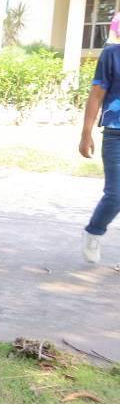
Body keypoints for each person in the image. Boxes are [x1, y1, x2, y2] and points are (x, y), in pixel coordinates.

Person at [80, 29, 120, 264]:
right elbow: (96, 95)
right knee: (116, 194)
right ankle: (93, 232)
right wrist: (86, 133)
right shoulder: (111, 55)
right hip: (116, 133)